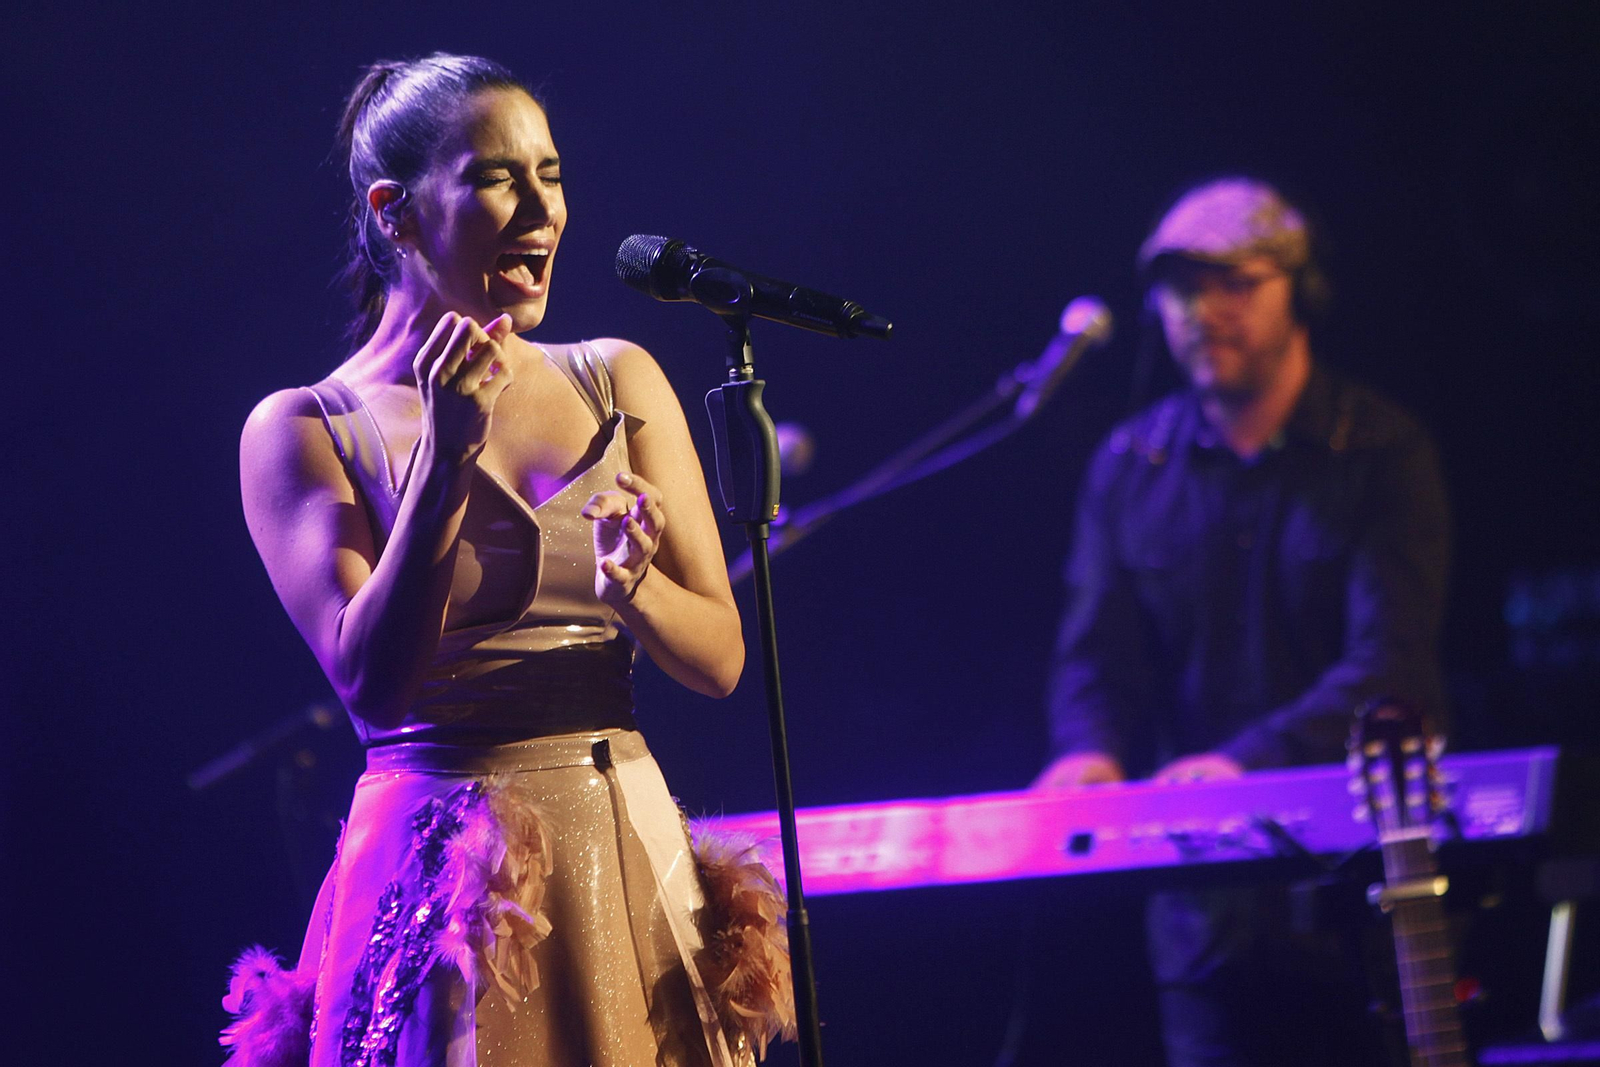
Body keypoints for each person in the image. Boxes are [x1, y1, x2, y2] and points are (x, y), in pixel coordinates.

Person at [220, 54, 792, 1067]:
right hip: (438, 881)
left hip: (619, 846)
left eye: (552, 174)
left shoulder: (618, 378)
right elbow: (377, 683)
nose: (542, 209)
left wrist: (636, 587)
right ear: (396, 213)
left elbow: (720, 661)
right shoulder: (305, 427)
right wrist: (444, 457)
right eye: (496, 177)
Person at [1036, 177, 1450, 1066]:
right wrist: (1089, 749)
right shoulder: (1130, 463)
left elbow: (1392, 665)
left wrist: (1239, 767)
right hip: (1201, 914)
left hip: (1360, 893)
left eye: (1235, 283)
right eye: (1184, 288)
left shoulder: (1382, 450)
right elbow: (1095, 655)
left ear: (1300, 292)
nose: (1204, 310)